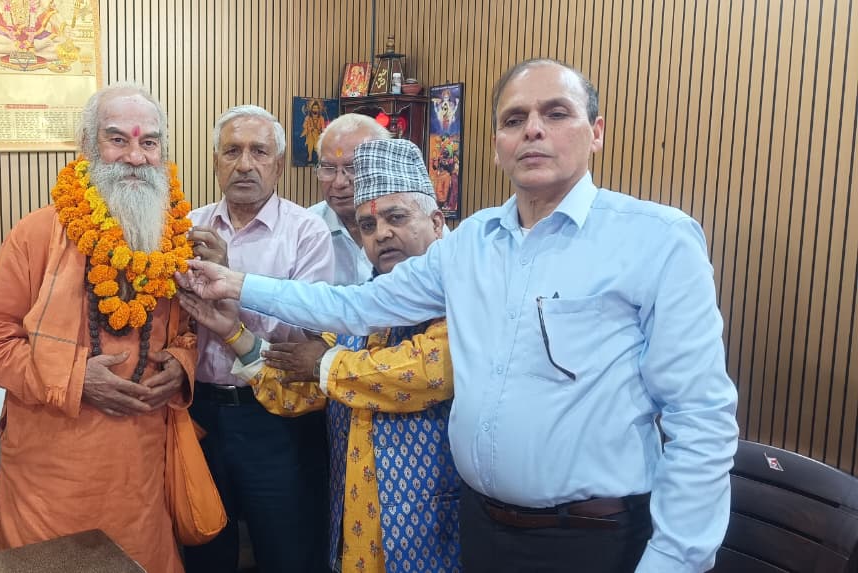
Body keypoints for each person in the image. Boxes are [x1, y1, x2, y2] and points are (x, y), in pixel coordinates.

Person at [180, 59, 740, 572]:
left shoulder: (654, 239)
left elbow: (700, 418)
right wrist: (235, 294)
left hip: (585, 536)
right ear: (497, 145)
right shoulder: (475, 244)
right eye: (514, 119)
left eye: (555, 113)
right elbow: (350, 309)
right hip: (473, 531)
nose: (533, 130)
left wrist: (675, 558)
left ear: (595, 132)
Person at [181, 138, 459, 573]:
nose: (382, 233)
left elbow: (418, 374)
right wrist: (232, 331)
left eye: (397, 217)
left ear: (437, 222)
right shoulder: (361, 311)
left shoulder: (461, 300)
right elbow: (295, 390)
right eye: (367, 225)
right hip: (357, 523)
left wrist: (321, 363)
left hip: (429, 525)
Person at [0, 82, 198, 573]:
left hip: (140, 476)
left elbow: (187, 334)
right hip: (49, 482)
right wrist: (76, 379)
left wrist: (181, 366)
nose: (135, 157)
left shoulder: (174, 240)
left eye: (149, 142)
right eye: (118, 140)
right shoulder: (35, 234)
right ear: (88, 147)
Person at [183, 105, 334, 573]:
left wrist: (231, 282)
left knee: (287, 551)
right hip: (198, 412)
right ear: (215, 161)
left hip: (277, 418)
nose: (245, 164)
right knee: (203, 549)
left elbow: (306, 336)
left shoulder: (306, 232)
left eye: (259, 152)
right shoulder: (187, 227)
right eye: (232, 151)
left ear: (279, 164)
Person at [308, 113, 389, 285]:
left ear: (383, 167)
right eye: (328, 168)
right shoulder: (303, 230)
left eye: (353, 168)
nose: (339, 183)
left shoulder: (416, 224)